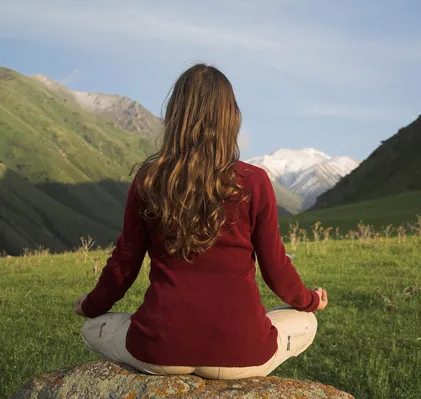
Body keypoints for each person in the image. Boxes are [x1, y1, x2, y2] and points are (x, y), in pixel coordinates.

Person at [73, 63, 328, 379]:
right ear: (230, 118)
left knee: (92, 329)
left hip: (161, 350)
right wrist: (311, 300)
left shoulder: (149, 180)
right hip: (242, 354)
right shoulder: (255, 181)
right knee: (307, 322)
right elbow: (276, 270)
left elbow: (123, 266)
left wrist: (90, 306)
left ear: (175, 115)